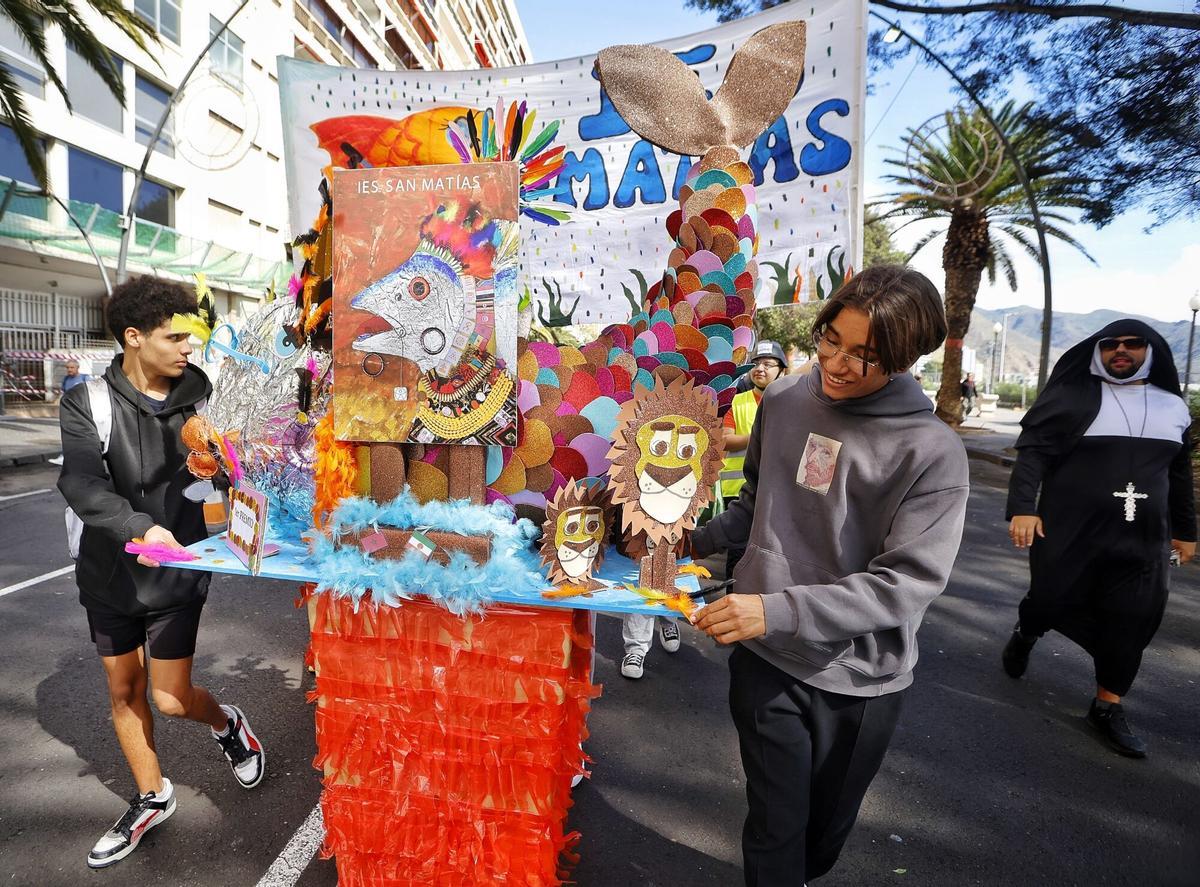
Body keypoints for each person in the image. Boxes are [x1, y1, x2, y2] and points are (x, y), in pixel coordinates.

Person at [689, 265, 969, 885]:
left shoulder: (932, 451)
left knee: (822, 838)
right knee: (775, 830)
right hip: (764, 659)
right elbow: (753, 503)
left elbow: (907, 583)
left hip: (861, 679)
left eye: (864, 356)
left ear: (904, 356)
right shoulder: (784, 399)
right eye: (829, 341)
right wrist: (683, 541)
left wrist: (778, 608)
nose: (838, 364)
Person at [58, 276, 265, 869]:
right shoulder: (87, 401)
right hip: (109, 575)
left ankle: (229, 726)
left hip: (178, 575)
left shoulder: (207, 402)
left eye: (192, 337)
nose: (187, 347)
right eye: (175, 337)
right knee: (123, 692)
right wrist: (138, 526)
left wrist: (252, 510)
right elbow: (80, 482)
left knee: (171, 700)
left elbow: (235, 476)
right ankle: (153, 797)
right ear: (133, 337)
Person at [1002, 319, 1195, 758]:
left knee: (1135, 617)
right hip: (1070, 532)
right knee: (1049, 599)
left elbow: (1179, 475)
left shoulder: (1173, 408)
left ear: (1152, 351)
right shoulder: (1070, 399)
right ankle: (1028, 630)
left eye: (1132, 344)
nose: (1120, 351)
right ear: (1097, 351)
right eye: (1111, 344)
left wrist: (1187, 534)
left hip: (1145, 541)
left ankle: (1106, 707)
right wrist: (1024, 509)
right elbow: (1033, 455)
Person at [720, 340, 788, 576]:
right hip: (739, 490)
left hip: (779, 492)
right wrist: (758, 435)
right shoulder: (735, 402)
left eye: (768, 364)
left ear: (782, 370)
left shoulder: (792, 403)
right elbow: (725, 439)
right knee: (738, 552)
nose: (760, 369)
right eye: (756, 364)